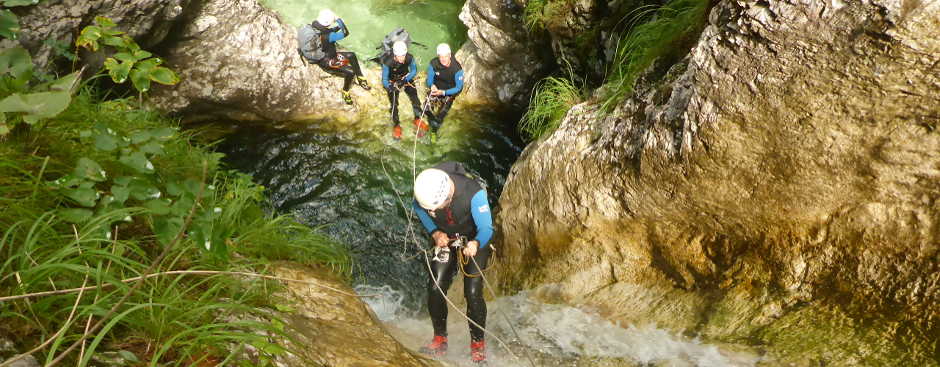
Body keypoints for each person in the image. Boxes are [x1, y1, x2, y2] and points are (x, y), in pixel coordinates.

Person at [412, 161, 493, 364]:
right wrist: (435, 232)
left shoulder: (474, 193)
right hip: (446, 239)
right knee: (435, 287)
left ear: (448, 196)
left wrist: (475, 243)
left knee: (472, 292)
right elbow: (420, 209)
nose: (434, 211)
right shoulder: (425, 192)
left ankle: (477, 343)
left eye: (438, 207)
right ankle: (440, 339)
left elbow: (486, 228)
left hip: (473, 238)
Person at [311, 9, 370, 105]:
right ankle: (345, 91)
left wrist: (337, 27)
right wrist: (339, 20)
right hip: (327, 61)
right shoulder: (329, 36)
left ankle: (360, 77)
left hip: (326, 55)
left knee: (351, 55)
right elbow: (346, 32)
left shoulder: (315, 25)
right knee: (350, 72)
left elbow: (328, 30)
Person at [382, 41, 427, 140]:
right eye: (400, 56)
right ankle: (396, 125)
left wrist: (404, 80)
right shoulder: (388, 62)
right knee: (394, 104)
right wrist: (390, 86)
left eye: (403, 55)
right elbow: (384, 79)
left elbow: (414, 70)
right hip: (392, 81)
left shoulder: (409, 57)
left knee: (415, 98)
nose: (402, 58)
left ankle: (417, 118)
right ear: (395, 54)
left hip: (405, 78)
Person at [424, 43, 464, 143]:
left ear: (450, 55)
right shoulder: (433, 63)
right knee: (426, 108)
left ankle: (434, 131)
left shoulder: (457, 69)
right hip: (436, 88)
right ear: (438, 56)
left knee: (440, 115)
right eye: (441, 57)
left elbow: (459, 88)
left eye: (445, 56)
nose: (443, 59)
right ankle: (430, 122)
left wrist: (444, 92)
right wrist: (431, 86)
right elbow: (429, 80)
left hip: (449, 92)